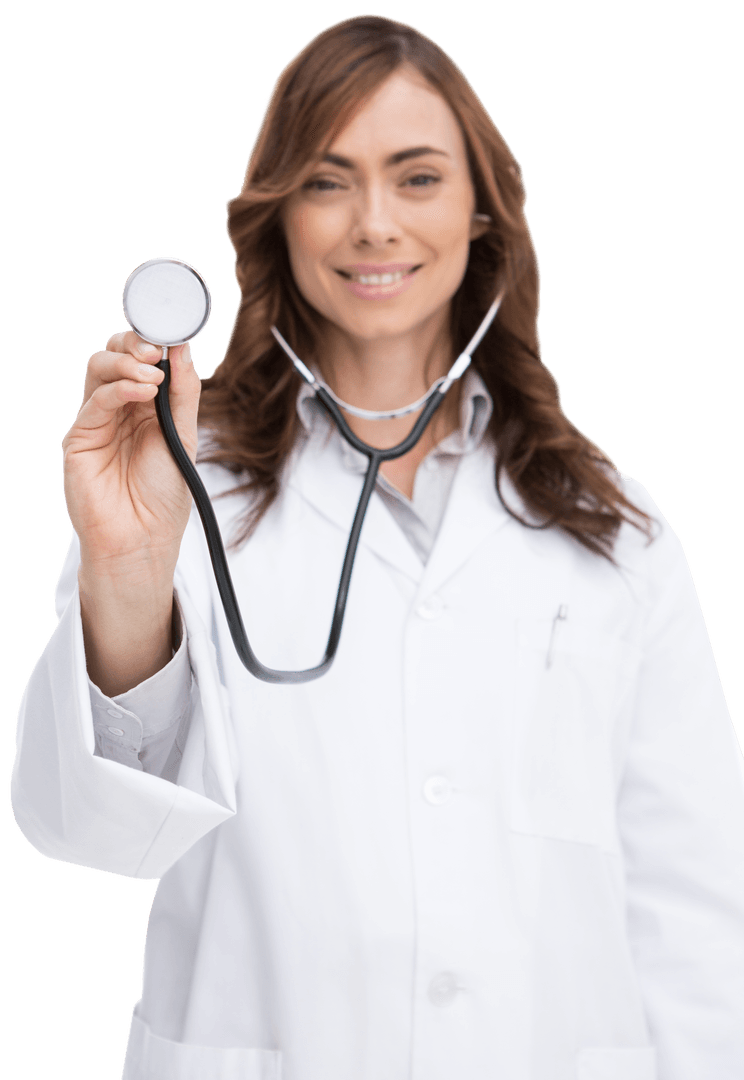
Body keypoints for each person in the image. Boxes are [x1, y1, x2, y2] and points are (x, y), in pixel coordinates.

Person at [9, 13, 744, 1080]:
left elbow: (702, 899)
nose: (372, 223)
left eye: (416, 177)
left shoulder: (615, 528)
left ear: (483, 212)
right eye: (325, 180)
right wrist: (128, 570)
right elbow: (96, 834)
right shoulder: (182, 482)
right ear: (277, 221)